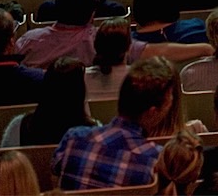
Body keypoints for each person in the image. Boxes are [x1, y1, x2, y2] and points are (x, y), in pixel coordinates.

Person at [53, 56, 179, 189]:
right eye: (168, 104)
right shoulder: (155, 160)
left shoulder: (74, 138)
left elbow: (54, 178)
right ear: (152, 112)